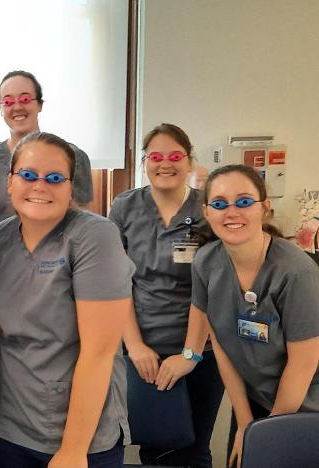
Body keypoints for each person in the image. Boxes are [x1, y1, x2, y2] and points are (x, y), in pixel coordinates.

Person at [0, 132, 134, 467]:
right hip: (11, 424)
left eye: (54, 178)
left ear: (70, 187)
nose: (40, 186)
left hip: (83, 437)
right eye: (28, 175)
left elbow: (99, 352)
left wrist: (73, 449)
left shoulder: (94, 236)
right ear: (10, 182)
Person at [109, 123, 223, 468]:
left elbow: (211, 286)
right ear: (145, 162)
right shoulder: (126, 207)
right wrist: (136, 346)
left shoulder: (208, 210)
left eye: (175, 155)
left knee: (197, 449)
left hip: (202, 348)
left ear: (189, 161)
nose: (165, 163)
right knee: (157, 446)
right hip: (146, 352)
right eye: (155, 156)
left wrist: (190, 354)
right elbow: (117, 283)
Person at [192, 164, 319, 467]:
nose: (231, 212)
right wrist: (246, 422)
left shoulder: (296, 272)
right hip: (256, 403)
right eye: (220, 204)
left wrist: (265, 435)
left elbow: (303, 364)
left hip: (308, 408)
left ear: (264, 208)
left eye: (244, 202)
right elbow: (221, 344)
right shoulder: (206, 263)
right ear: (207, 212)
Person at [0, 70, 94, 227]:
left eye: (25, 99)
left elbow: (85, 220)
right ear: (0, 109)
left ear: (40, 105)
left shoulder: (73, 156)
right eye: (8, 102)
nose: (17, 107)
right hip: (1, 249)